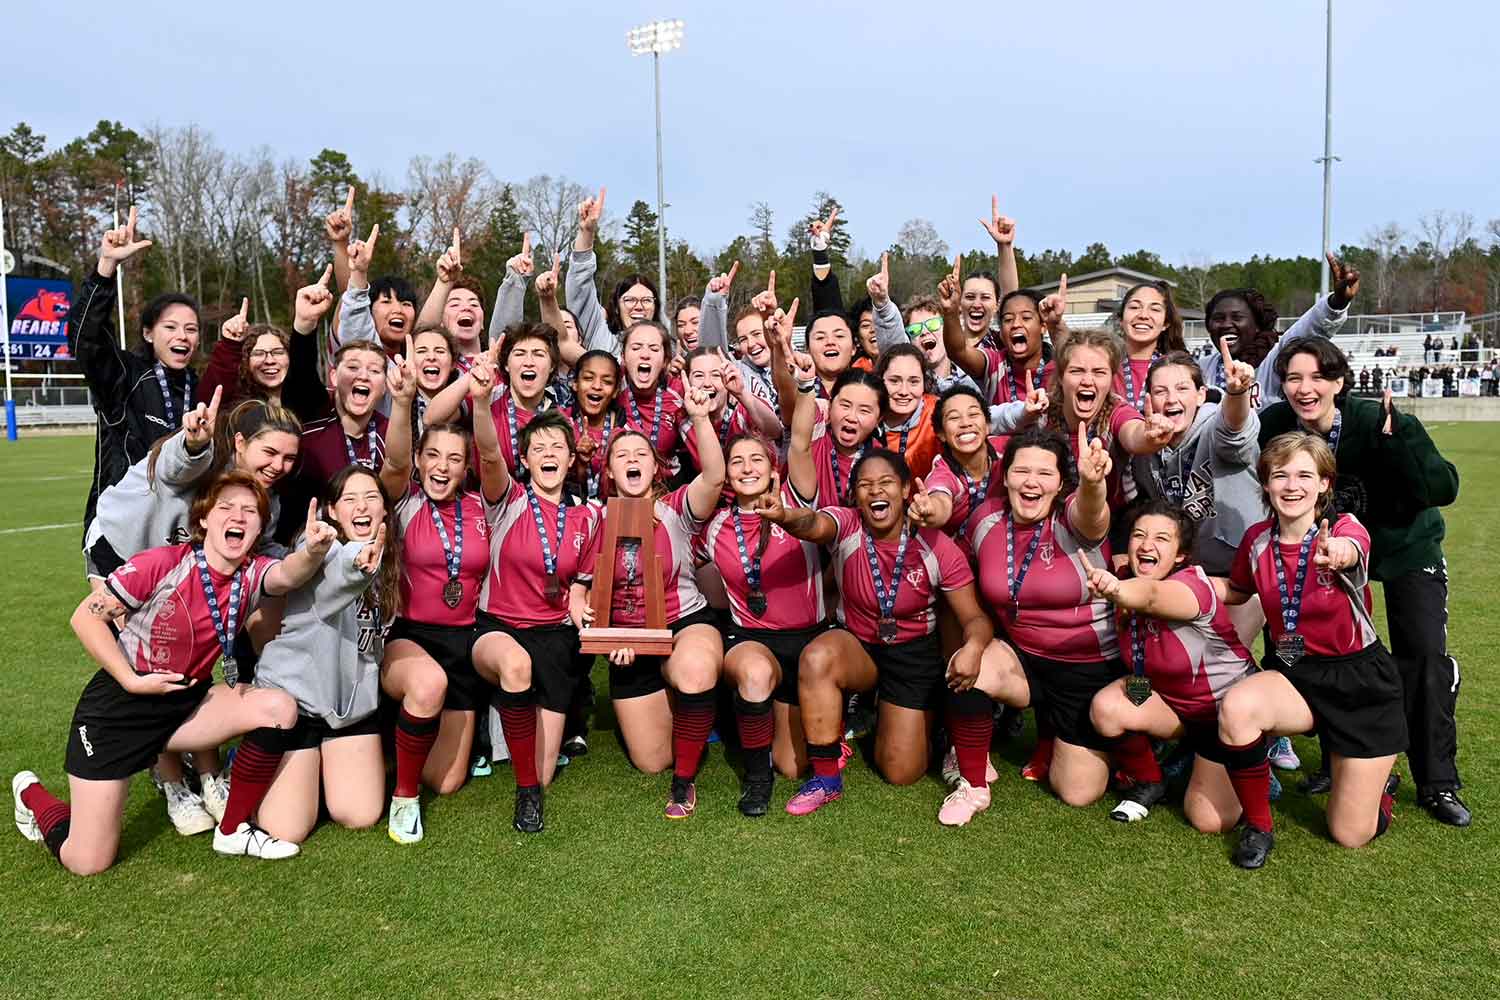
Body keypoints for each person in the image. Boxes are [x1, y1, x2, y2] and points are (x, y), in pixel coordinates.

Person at [11, 472, 333, 875]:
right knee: (87, 861)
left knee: (277, 707)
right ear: (203, 520)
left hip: (185, 705)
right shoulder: (162, 564)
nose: (239, 516)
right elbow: (84, 618)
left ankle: (232, 830)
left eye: (250, 510)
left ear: (258, 526)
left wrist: (315, 550)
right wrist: (130, 679)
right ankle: (32, 796)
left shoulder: (251, 574)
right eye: (227, 507)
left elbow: (288, 574)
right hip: (120, 709)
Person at [1260, 339, 1467, 825]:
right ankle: (1344, 761)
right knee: (1321, 655)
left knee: (1421, 659)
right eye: (1293, 377)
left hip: (1401, 551)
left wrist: (1402, 442)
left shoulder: (1379, 421)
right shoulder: (1274, 425)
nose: (1304, 389)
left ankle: (1437, 782)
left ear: (1338, 382)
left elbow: (1444, 488)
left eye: (1316, 377)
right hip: (1322, 556)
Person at [748, 449, 993, 824]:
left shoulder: (936, 544)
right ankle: (826, 777)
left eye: (886, 483)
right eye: (865, 485)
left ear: (907, 489)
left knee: (901, 772)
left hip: (913, 653)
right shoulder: (847, 525)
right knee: (818, 657)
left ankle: (926, 725)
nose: (875, 491)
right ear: (856, 496)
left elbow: (974, 617)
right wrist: (784, 516)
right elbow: (813, 523)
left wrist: (974, 646)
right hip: (858, 646)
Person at [1218, 432, 1406, 868]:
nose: (1291, 485)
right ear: (1265, 483)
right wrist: (1183, 582)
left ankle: (1380, 787)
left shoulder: (1343, 529)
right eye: (1279, 475)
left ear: (1324, 484)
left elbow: (1353, 548)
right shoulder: (1257, 540)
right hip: (1294, 670)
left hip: (1359, 681)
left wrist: (1338, 553)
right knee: (1239, 706)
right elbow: (1237, 589)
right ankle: (1259, 826)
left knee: (1349, 833)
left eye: (1305, 475)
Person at [963, 426, 1163, 807]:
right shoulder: (984, 520)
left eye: (1044, 473)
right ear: (1004, 477)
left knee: (1076, 793)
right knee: (972, 667)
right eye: (1021, 471)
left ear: (1059, 485)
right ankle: (970, 782)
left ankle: (1130, 744)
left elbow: (1093, 514)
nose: (1031, 482)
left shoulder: (1073, 519)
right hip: (1025, 659)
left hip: (1086, 666)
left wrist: (1092, 483)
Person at [211, 465, 396, 858]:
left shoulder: (387, 556)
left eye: (372, 498)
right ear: (331, 510)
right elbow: (339, 571)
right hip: (296, 705)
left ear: (385, 509)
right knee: (287, 828)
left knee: (360, 814)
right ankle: (244, 764)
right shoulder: (320, 553)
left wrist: (370, 561)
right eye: (349, 499)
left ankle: (321, 771)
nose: (361, 506)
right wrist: (355, 561)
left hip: (349, 708)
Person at [574, 387, 726, 819]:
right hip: (628, 639)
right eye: (621, 455)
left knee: (693, 672)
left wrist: (698, 417)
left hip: (684, 623)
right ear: (608, 470)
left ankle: (684, 782)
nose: (632, 460)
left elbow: (714, 476)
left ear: (655, 465)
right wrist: (599, 632)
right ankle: (691, 713)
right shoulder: (592, 517)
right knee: (651, 759)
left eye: (640, 453)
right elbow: (579, 584)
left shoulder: (676, 507)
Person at [377, 362, 504, 844]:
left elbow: (492, 456)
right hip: (409, 638)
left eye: (454, 458)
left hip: (462, 643)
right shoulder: (404, 498)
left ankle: (398, 744)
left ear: (465, 467)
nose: (442, 467)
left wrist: (485, 401)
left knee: (448, 782)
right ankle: (404, 799)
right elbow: (391, 464)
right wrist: (405, 402)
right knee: (426, 686)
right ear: (420, 459)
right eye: (432, 455)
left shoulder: (482, 505)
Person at [469, 410, 604, 833]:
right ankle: (528, 796)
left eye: (557, 448)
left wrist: (584, 614)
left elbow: (579, 586)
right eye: (538, 448)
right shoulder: (506, 499)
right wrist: (481, 399)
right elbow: (489, 454)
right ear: (525, 460)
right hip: (498, 628)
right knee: (516, 666)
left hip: (554, 636)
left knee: (545, 767)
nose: (548, 455)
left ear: (570, 460)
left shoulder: (589, 515)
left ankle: (515, 720)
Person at [1084, 500, 1258, 825]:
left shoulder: (1190, 585)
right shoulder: (1124, 577)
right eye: (1139, 535)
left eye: (1162, 539)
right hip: (1175, 708)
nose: (1146, 545)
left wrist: (1117, 590)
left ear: (1181, 554)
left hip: (1224, 717)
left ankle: (1251, 758)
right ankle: (1151, 780)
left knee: (1208, 821)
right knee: (1107, 706)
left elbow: (1151, 595)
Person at [697, 435, 829, 811]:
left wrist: (804, 386)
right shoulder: (715, 527)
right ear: (726, 476)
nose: (747, 468)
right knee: (754, 674)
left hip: (806, 642)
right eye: (736, 462)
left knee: (794, 766)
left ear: (774, 470)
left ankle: (817, 731)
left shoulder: (798, 505)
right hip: (752, 639)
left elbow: (801, 440)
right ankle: (757, 778)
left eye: (757, 460)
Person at [67, 206, 201, 542]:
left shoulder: (198, 388)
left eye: (191, 329)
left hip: (179, 530)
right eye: (170, 327)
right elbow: (86, 338)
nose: (182, 336)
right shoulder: (124, 375)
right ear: (147, 333)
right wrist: (106, 267)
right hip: (120, 526)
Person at [1197, 254, 1358, 405]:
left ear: (1258, 325)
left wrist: (1337, 302)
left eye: (1237, 317)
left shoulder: (1276, 355)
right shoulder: (1200, 368)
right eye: (1218, 318)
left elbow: (1311, 327)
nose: (1226, 324)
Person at [566, 187, 666, 356]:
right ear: (617, 307)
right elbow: (580, 291)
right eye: (630, 300)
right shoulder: (603, 342)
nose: (638, 307)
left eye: (647, 300)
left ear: (655, 307)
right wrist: (586, 232)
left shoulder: (667, 351)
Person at [1114, 281, 1188, 411]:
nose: (1143, 315)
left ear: (1166, 323)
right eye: (1134, 307)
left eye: (1154, 309)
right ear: (1121, 319)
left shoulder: (1179, 370)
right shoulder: (1104, 366)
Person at [875, 344, 941, 478]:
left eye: (914, 382)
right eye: (894, 381)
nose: (904, 391)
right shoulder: (867, 415)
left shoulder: (940, 412)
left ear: (924, 383)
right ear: (880, 381)